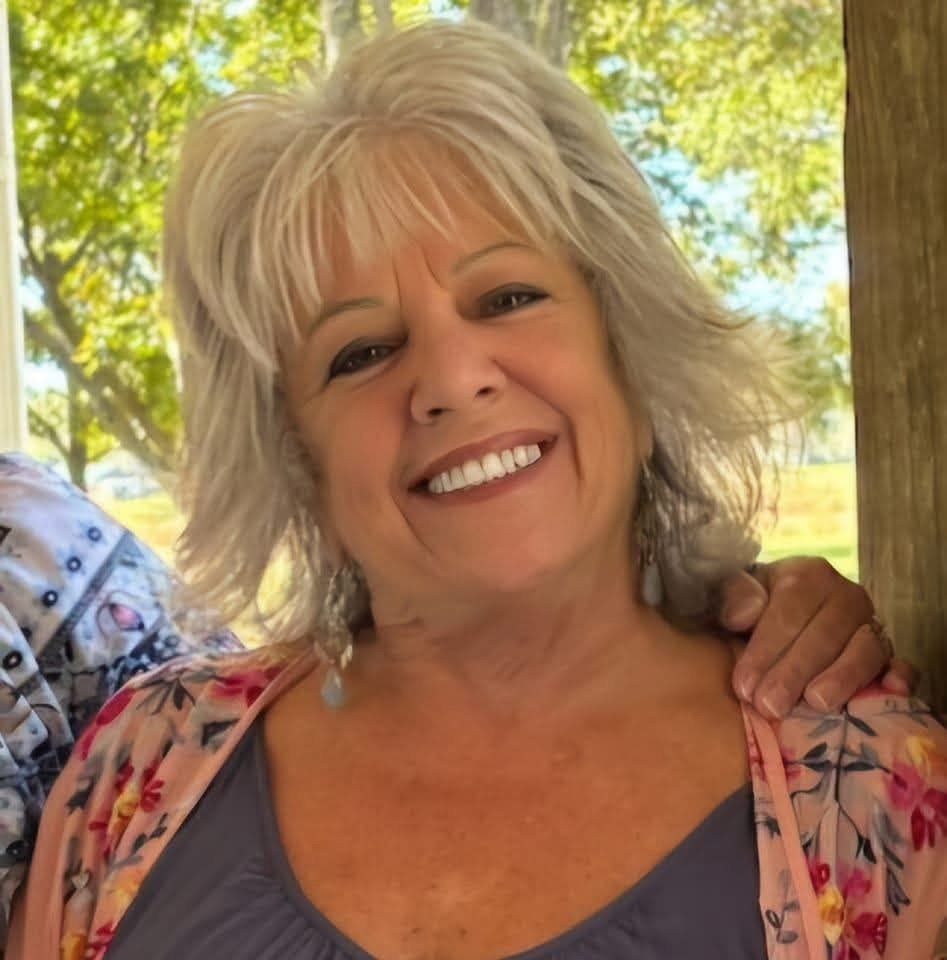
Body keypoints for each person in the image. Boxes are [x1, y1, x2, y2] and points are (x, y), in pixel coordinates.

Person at [9, 19, 946, 960]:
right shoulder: (146, 766)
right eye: (360, 352)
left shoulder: (870, 791)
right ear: (295, 459)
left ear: (630, 346)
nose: (453, 381)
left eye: (507, 298)